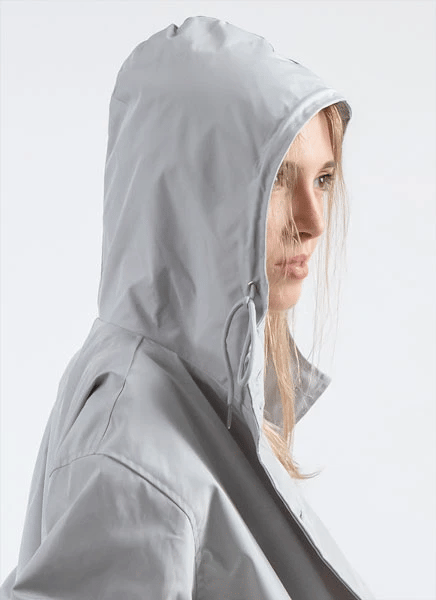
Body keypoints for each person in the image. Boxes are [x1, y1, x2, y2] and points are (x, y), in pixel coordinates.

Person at [0, 15, 376, 600]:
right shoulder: (133, 452)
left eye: (323, 179)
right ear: (190, 191)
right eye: (279, 179)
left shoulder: (193, 393)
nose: (314, 221)